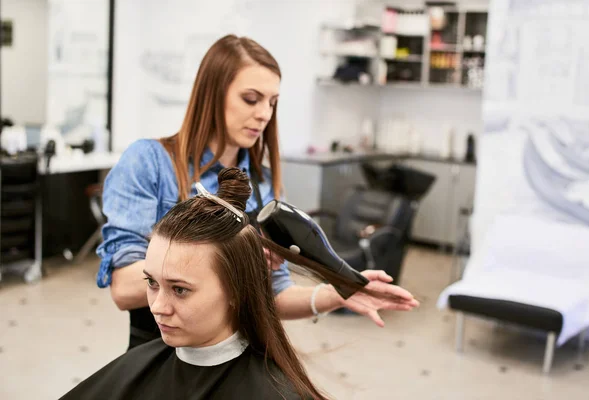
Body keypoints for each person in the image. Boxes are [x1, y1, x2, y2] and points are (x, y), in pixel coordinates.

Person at [96, 34, 418, 350]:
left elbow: (274, 297)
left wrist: (337, 294)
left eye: (272, 103)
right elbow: (124, 288)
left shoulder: (263, 185)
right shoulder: (150, 163)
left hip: (235, 358)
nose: (264, 113)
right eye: (251, 99)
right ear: (212, 95)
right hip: (161, 356)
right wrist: (229, 258)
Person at [62, 168, 418, 400]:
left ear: (236, 290)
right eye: (152, 283)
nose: (156, 306)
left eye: (180, 289)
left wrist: (333, 290)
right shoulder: (134, 370)